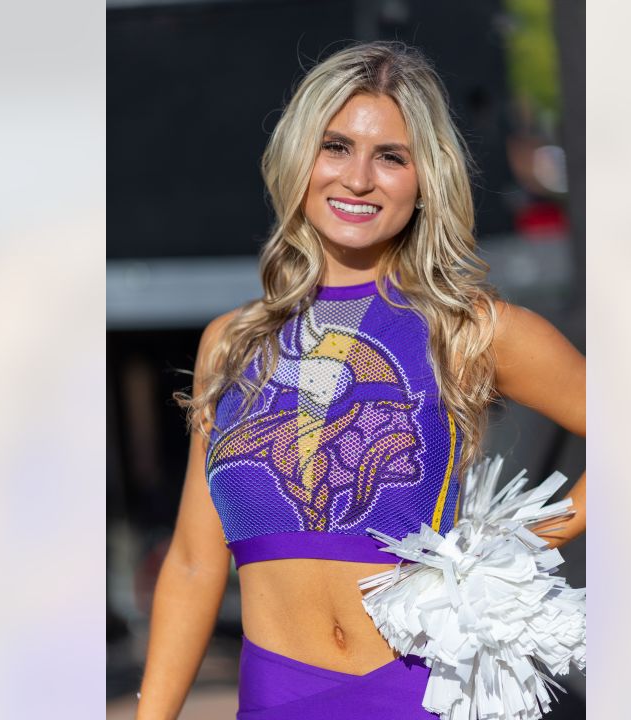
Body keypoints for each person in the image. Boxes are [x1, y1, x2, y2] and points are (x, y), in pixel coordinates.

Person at [136, 41, 586, 719]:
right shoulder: (232, 343)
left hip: (422, 694)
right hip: (275, 699)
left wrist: (513, 549)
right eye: (336, 147)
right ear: (299, 159)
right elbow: (196, 564)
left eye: (391, 157)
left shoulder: (469, 329)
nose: (358, 179)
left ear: (424, 178)